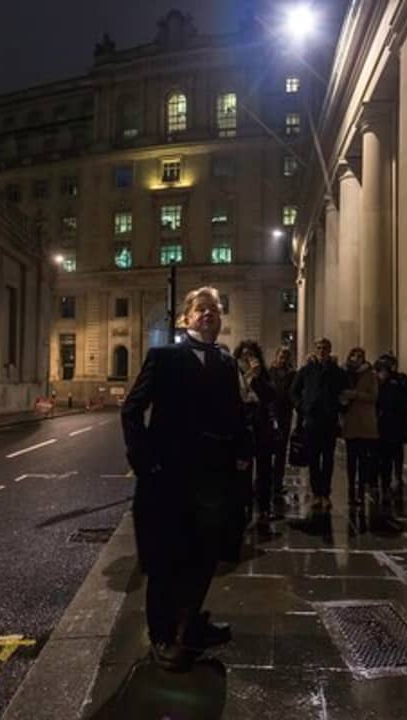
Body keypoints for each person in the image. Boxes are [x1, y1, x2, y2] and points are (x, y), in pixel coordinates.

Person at [121, 286, 251, 670]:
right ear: (186, 318)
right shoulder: (164, 357)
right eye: (201, 309)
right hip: (169, 476)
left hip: (213, 477)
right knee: (167, 558)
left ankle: (189, 623)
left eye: (215, 309)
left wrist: (242, 455)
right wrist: (145, 462)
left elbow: (235, 414)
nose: (209, 314)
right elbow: (132, 410)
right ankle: (162, 635)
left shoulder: (226, 362)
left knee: (205, 555)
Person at [291, 337, 348, 510]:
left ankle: (325, 493)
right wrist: (302, 407)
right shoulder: (306, 370)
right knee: (314, 459)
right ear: (315, 350)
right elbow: (293, 391)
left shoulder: (337, 372)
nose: (322, 350)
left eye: (325, 348)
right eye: (319, 347)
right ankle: (316, 493)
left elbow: (346, 392)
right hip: (312, 420)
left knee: (328, 459)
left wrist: (339, 407)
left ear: (329, 350)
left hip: (329, 421)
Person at [234, 340, 278, 524]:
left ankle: (264, 506)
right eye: (244, 354)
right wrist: (248, 376)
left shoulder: (262, 373)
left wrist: (258, 377)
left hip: (261, 426)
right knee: (243, 469)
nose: (247, 357)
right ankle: (244, 505)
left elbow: (270, 395)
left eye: (251, 354)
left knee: (264, 468)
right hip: (243, 426)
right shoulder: (235, 372)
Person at [373, 354, 407, 514]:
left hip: (397, 423)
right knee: (383, 457)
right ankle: (384, 485)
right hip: (381, 424)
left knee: (396, 453)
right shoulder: (377, 381)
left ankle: (397, 477)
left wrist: (404, 408)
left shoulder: (400, 380)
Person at [340, 347, 379, 508]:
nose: (356, 358)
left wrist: (356, 395)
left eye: (360, 356)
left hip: (365, 422)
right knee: (351, 460)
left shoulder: (370, 375)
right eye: (353, 355)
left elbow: (374, 396)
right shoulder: (345, 373)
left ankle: (361, 491)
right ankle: (351, 491)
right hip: (350, 421)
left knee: (363, 460)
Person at [269, 346, 296, 498]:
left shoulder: (292, 374)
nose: (283, 360)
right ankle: (266, 481)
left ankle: (277, 483)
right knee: (268, 449)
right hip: (271, 413)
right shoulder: (269, 372)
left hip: (285, 414)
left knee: (281, 451)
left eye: (286, 357)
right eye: (281, 356)